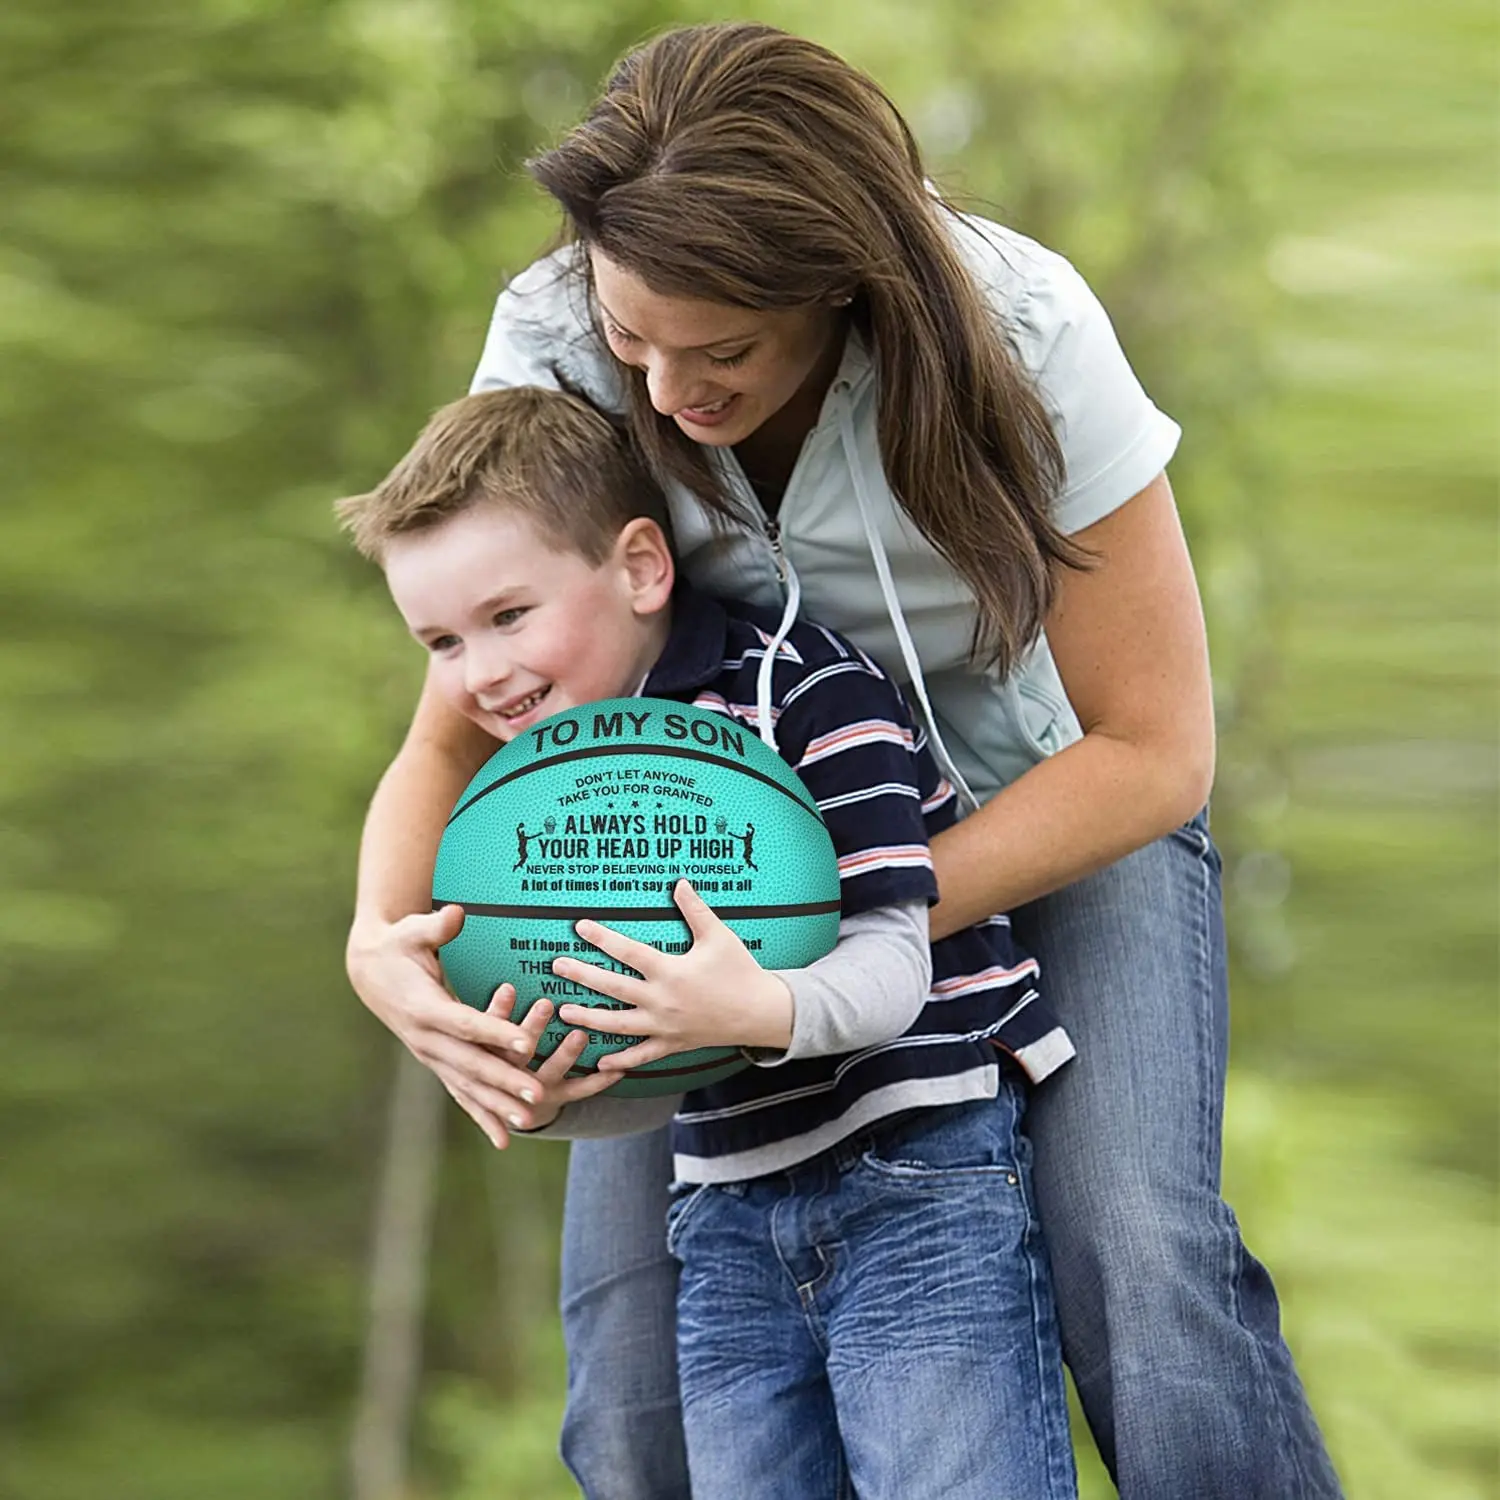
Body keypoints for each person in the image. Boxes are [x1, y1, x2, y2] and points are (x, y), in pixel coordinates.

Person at [342, 22, 1342, 1500]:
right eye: (637, 338)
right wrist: (381, 943)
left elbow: (1155, 750)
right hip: (703, 865)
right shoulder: (558, 338)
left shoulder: (1026, 332)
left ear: (840, 283)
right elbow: (462, 708)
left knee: (1142, 1261)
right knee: (631, 1379)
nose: (668, 387)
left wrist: (822, 929)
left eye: (723, 348)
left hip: (1045, 814)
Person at [340, 384, 1081, 1498]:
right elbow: (655, 1060)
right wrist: (548, 1094)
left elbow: (895, 963)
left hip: (922, 1168)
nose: (478, 674)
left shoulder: (807, 696)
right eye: (439, 641)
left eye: (508, 617)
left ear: (642, 567)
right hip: (727, 1205)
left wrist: (755, 1009)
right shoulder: (524, 808)